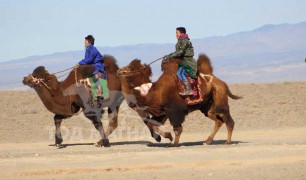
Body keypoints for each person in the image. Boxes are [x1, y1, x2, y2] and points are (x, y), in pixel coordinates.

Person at [163, 27, 197, 96]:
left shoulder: (184, 41)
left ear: (182, 33)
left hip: (187, 61)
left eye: (177, 33)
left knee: (180, 73)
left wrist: (169, 56)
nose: (176, 34)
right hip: (183, 61)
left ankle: (188, 90)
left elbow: (180, 52)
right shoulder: (181, 41)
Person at [78, 35, 105, 100]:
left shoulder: (91, 48)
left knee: (95, 77)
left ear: (89, 42)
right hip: (92, 66)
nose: (84, 43)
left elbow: (90, 59)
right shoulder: (89, 48)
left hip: (97, 66)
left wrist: (80, 63)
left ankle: (100, 93)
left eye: (85, 41)